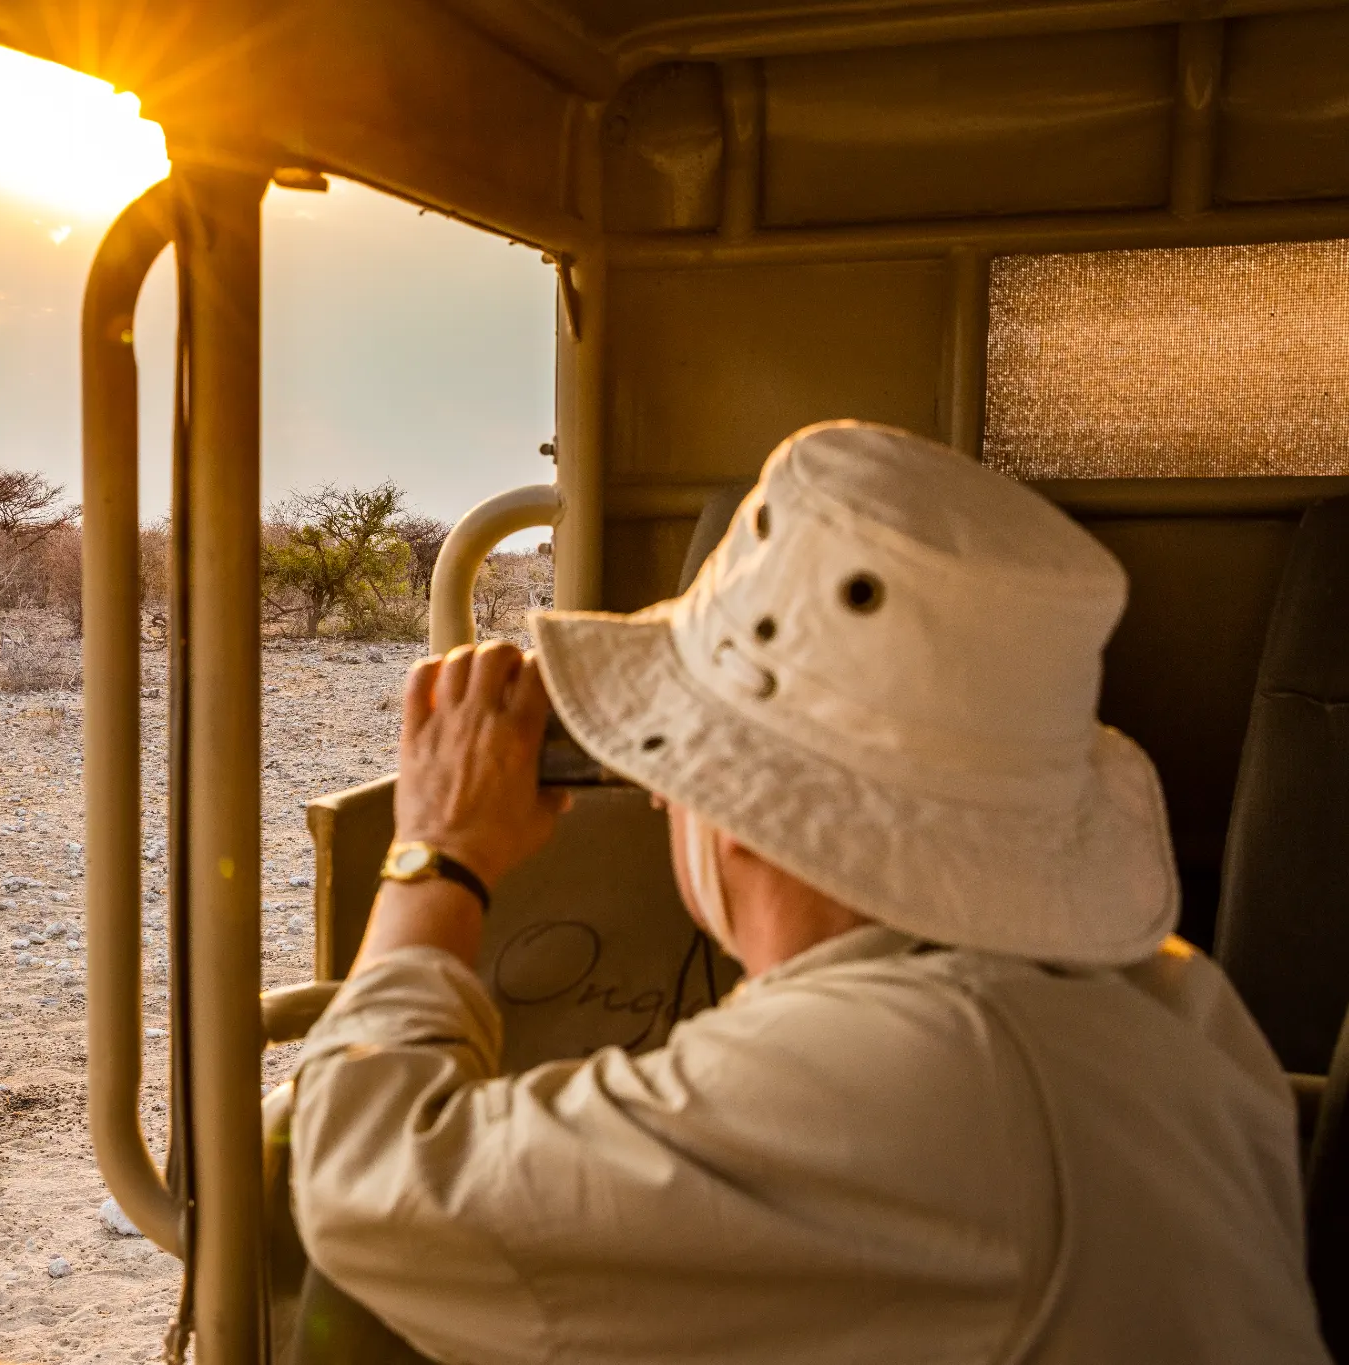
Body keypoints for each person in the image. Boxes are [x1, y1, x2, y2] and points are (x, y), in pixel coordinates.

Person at [288, 421, 1330, 1363]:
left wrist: (439, 851)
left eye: (678, 755)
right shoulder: (1180, 1008)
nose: (658, 802)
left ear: (738, 799)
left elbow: (359, 1185)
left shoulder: (903, 1072)